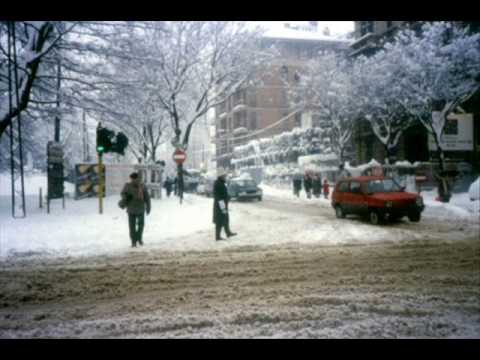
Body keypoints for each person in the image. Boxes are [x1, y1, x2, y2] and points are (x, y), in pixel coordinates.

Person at [121, 172, 151, 248]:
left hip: (137, 208)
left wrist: (148, 207)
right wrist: (148, 207)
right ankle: (136, 239)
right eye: (133, 179)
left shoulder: (141, 186)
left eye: (134, 179)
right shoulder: (130, 186)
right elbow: (123, 194)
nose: (133, 180)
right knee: (137, 225)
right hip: (135, 209)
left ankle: (135, 240)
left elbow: (147, 197)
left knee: (134, 226)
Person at [213, 168, 237, 241]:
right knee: (219, 221)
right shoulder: (218, 184)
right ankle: (218, 236)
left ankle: (228, 232)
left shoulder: (220, 183)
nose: (225, 177)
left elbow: (223, 194)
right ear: (220, 176)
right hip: (220, 205)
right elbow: (219, 197)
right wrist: (223, 207)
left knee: (225, 218)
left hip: (221, 204)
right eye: (224, 176)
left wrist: (228, 197)